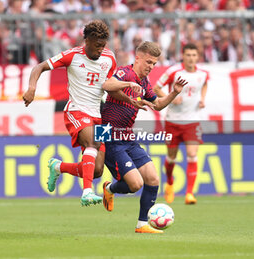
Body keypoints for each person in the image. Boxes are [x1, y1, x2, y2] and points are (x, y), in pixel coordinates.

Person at [22, 20, 141, 206]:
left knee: (97, 170)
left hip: (99, 115)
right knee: (92, 142)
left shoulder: (109, 59)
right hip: (76, 111)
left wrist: (129, 100)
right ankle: (86, 192)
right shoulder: (72, 55)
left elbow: (109, 87)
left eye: (103, 45)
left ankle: (58, 167)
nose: (100, 49)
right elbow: (39, 67)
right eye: (97, 45)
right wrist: (31, 88)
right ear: (87, 40)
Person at [101, 41, 187, 233]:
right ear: (137, 57)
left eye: (154, 64)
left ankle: (142, 224)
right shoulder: (126, 73)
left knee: (153, 179)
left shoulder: (145, 83)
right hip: (109, 136)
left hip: (127, 137)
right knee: (135, 184)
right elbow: (107, 84)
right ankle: (110, 189)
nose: (151, 66)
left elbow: (157, 105)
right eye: (148, 62)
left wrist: (174, 92)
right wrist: (128, 84)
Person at [153, 43, 208, 205]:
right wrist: (171, 97)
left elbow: (204, 85)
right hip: (173, 121)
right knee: (171, 157)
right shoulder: (174, 71)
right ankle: (169, 182)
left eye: (194, 55)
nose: (191, 58)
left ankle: (189, 193)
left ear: (198, 57)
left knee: (192, 154)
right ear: (183, 56)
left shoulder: (203, 74)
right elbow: (156, 88)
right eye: (188, 55)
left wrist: (203, 99)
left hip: (192, 120)